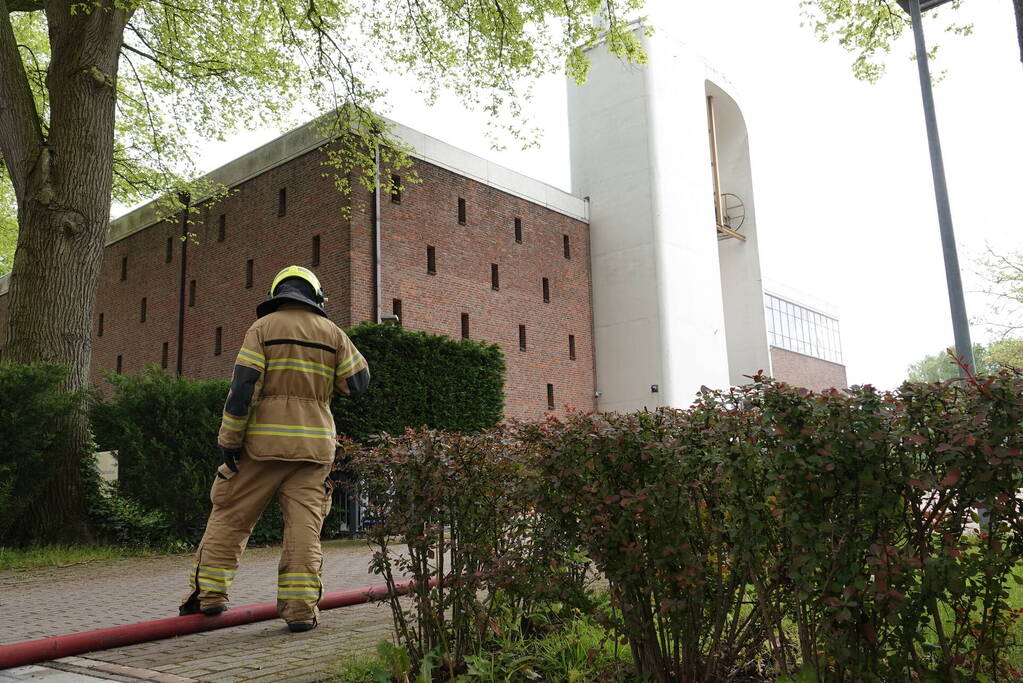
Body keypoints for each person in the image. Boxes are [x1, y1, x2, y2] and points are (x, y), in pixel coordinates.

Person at [179, 265, 370, 632]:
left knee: (230, 517)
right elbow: (358, 383)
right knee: (304, 531)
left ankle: (208, 598)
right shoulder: (333, 333)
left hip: (260, 448)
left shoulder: (262, 329)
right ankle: (300, 611)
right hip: (314, 451)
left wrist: (229, 440)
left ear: (276, 294)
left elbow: (243, 388)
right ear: (315, 297)